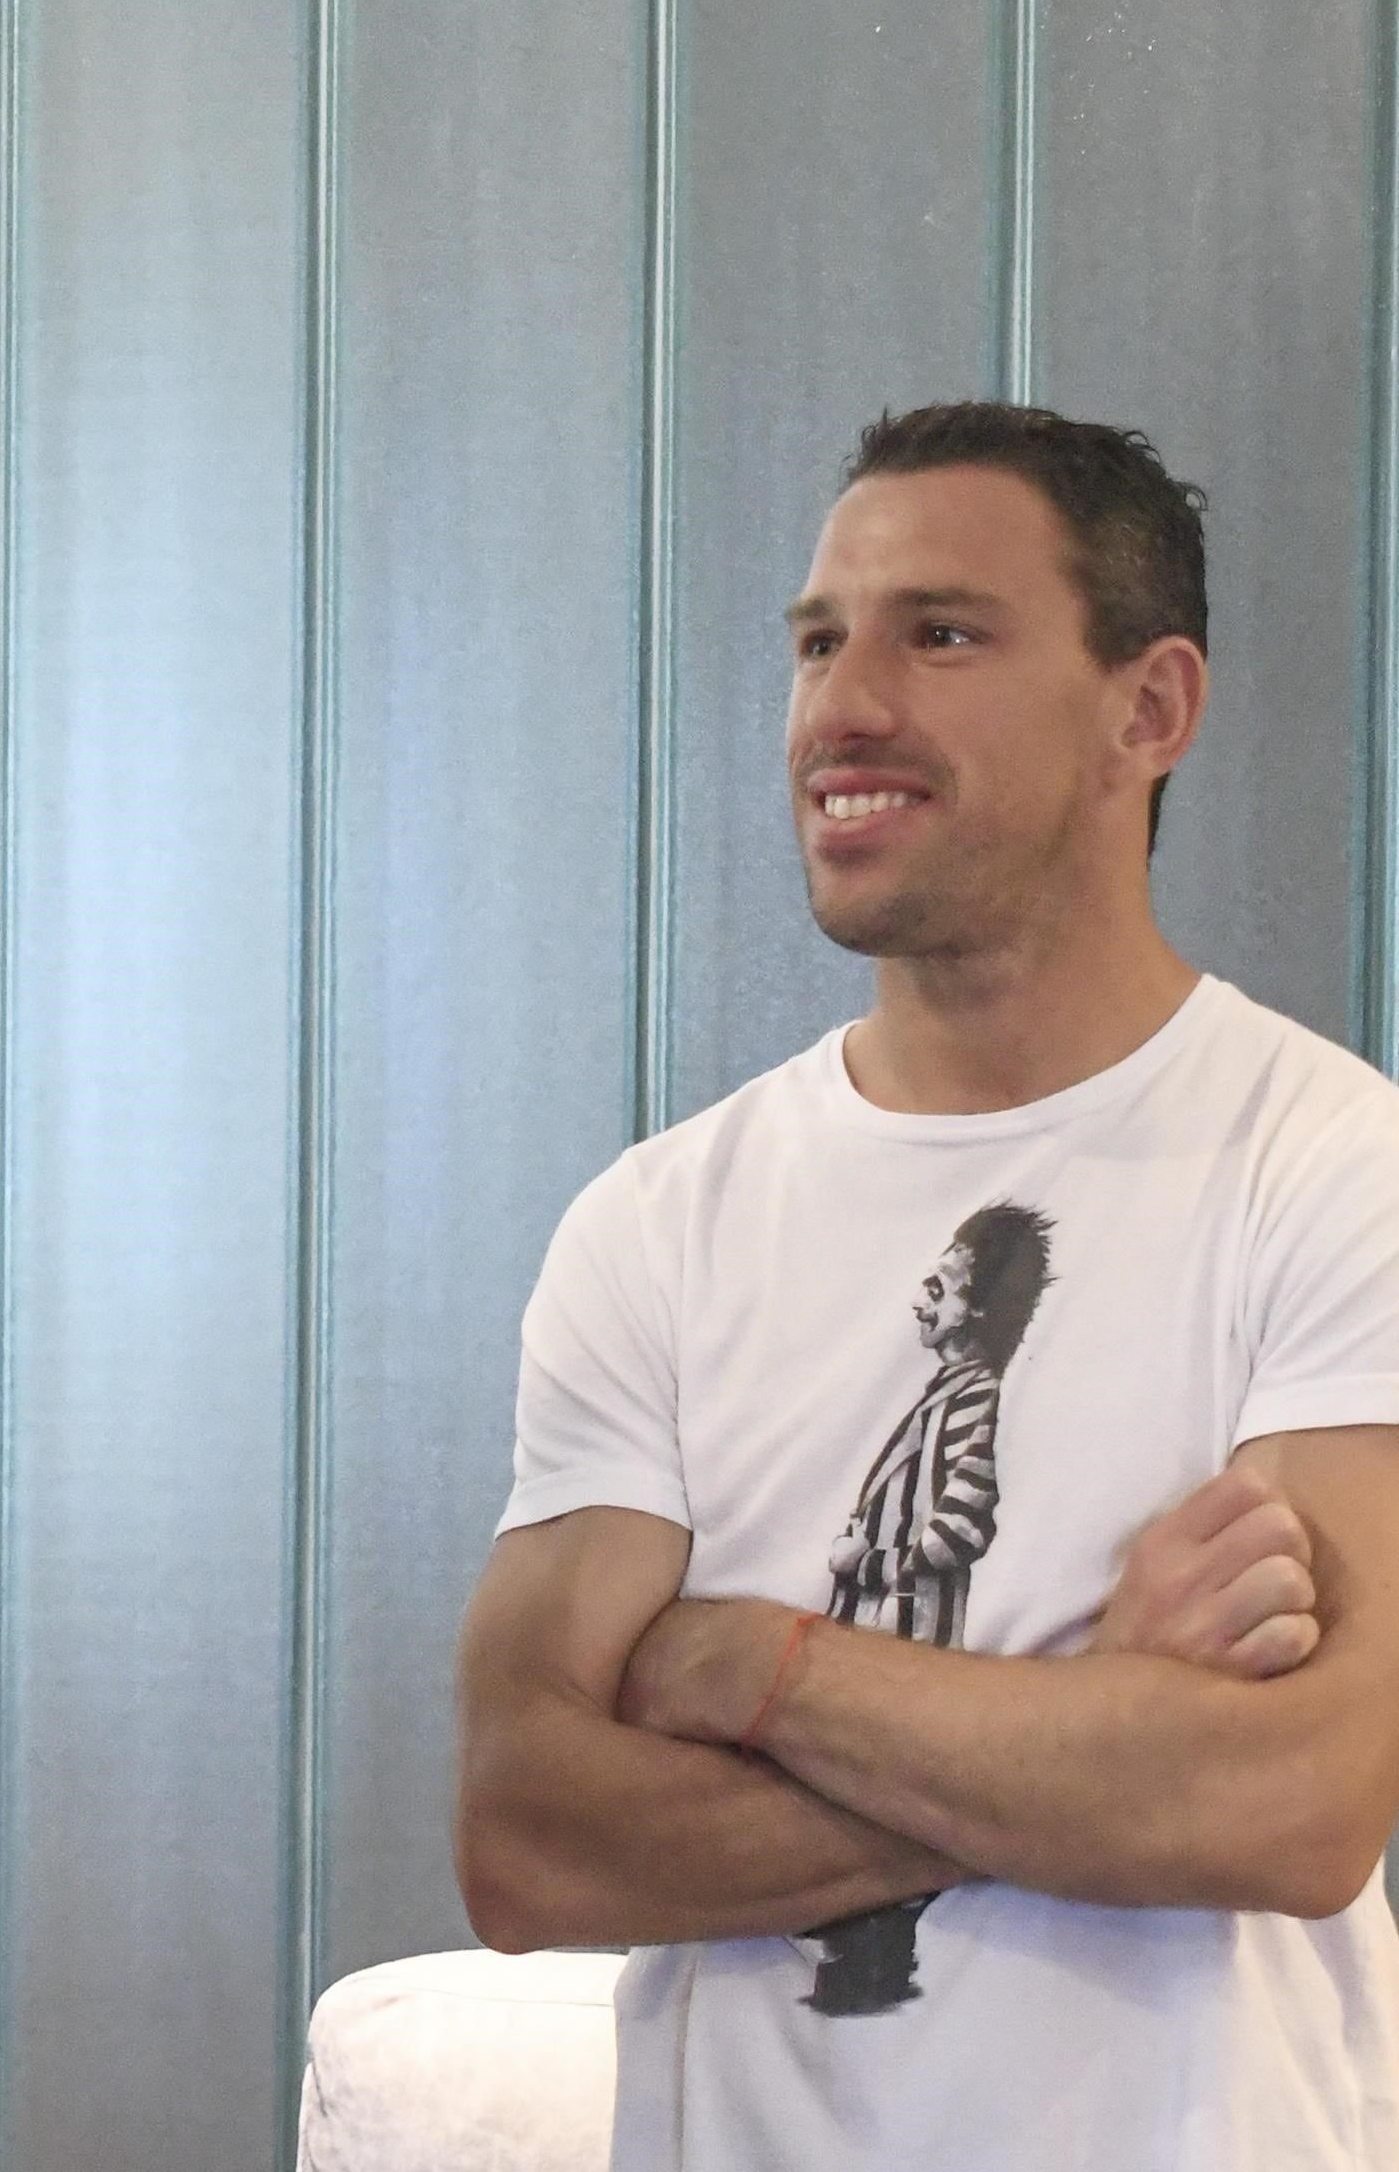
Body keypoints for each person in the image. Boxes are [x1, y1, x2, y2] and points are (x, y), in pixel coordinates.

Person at [454, 400, 1399, 2166]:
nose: (844, 706)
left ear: (1152, 707)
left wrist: (747, 1668)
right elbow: (527, 1842)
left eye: (939, 634)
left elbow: (1290, 1804)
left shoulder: (1337, 1172)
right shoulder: (659, 1224)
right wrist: (1102, 1712)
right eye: (819, 640)